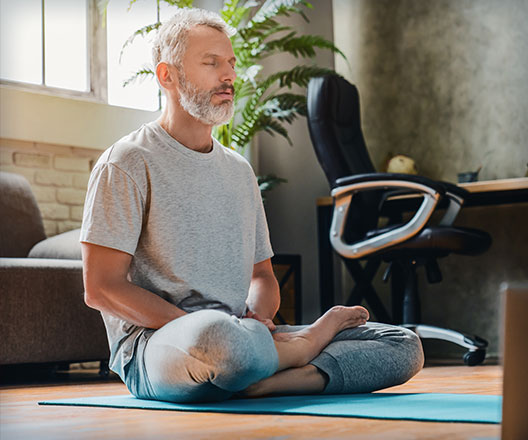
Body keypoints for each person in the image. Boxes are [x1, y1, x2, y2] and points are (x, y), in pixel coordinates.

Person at [80, 8, 424, 403]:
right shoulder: (126, 163)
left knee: (401, 344)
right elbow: (101, 289)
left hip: (242, 334)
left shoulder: (239, 171)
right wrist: (216, 329)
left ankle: (268, 379)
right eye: (211, 63)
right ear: (166, 76)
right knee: (218, 339)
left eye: (230, 64)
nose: (228, 76)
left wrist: (258, 319)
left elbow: (262, 277)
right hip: (158, 346)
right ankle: (298, 348)